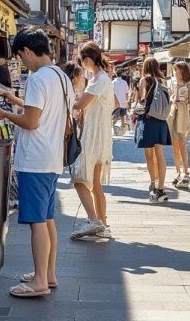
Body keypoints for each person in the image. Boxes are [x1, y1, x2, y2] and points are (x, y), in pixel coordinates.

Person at [0, 27, 74, 298]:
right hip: (52, 157)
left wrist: (3, 114)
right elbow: (46, 112)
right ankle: (48, 274)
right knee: (47, 219)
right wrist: (16, 100)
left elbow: (32, 122)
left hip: (34, 159)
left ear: (25, 51)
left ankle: (39, 283)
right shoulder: (61, 76)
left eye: (20, 58)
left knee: (36, 222)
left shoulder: (36, 78)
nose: (22, 63)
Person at [69, 41, 115, 239]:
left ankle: (94, 221)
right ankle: (102, 224)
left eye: (82, 61)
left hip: (94, 136)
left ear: (88, 60)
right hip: (101, 134)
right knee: (96, 184)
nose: (82, 65)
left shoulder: (99, 80)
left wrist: (69, 94)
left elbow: (80, 105)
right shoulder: (101, 78)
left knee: (79, 179)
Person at [134, 56, 171, 202]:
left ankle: (153, 184)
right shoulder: (163, 81)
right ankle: (161, 188)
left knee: (149, 156)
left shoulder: (144, 80)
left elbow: (142, 100)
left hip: (148, 121)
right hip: (161, 121)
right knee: (160, 155)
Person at [167, 62, 190, 189]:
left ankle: (186, 172)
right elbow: (169, 98)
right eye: (174, 70)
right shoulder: (172, 83)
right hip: (173, 114)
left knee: (182, 144)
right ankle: (177, 172)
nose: (174, 73)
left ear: (182, 71)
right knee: (174, 146)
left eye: (176, 70)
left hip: (183, 114)